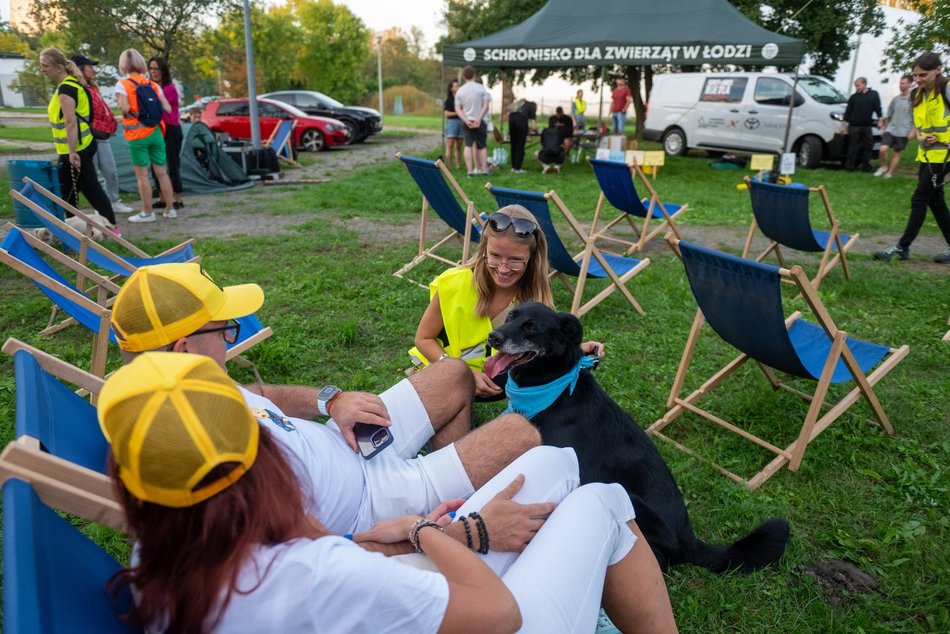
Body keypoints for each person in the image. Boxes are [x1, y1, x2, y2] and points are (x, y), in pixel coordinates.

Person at [98, 352, 677, 633]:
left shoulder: (163, 556)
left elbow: (322, 556)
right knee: (602, 502)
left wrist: (409, 537)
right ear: (264, 472)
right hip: (492, 621)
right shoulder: (315, 578)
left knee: (552, 461)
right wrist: (434, 532)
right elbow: (498, 615)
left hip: (385, 554)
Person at [109, 262, 543, 536]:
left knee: (450, 373)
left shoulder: (182, 388)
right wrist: (434, 536)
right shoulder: (195, 448)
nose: (228, 338)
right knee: (520, 434)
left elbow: (257, 393)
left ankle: (458, 486)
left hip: (344, 440)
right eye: (224, 329)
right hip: (368, 501)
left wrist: (329, 401)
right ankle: (458, 514)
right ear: (185, 348)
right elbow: (301, 546)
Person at [409, 205, 602, 400]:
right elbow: (423, 339)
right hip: (440, 371)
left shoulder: (534, 298)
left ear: (532, 257)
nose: (503, 268)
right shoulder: (453, 283)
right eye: (495, 256)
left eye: (515, 259)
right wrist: (460, 373)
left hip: (490, 379)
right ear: (484, 249)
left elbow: (542, 346)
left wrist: (577, 351)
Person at [875, 52, 950, 264]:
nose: (917, 79)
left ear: (938, 70)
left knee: (919, 198)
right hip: (927, 153)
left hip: (945, 154)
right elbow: (917, 125)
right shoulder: (917, 94)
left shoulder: (946, 88)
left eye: (923, 75)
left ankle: (902, 246)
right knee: (936, 201)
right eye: (915, 75)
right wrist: (921, 136)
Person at [38, 48, 117, 231]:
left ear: (59, 67)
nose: (42, 69)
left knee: (90, 188)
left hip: (77, 147)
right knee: (66, 189)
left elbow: (70, 122)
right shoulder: (71, 84)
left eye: (45, 65)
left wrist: (72, 151)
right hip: (72, 148)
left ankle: (111, 227)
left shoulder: (67, 88)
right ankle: (71, 227)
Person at [115, 48, 177, 224]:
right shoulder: (153, 85)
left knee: (142, 175)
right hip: (156, 132)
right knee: (162, 172)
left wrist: (131, 113)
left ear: (123, 65)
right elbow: (168, 108)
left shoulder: (123, 85)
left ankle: (147, 212)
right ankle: (170, 209)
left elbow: (125, 108)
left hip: (137, 135)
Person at [70, 54, 134, 215]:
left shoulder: (94, 88)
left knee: (110, 171)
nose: (93, 69)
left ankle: (113, 201)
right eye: (89, 66)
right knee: (96, 174)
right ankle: (102, 205)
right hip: (88, 136)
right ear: (79, 68)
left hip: (102, 135)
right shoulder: (77, 88)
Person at [148, 56, 185, 212]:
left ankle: (178, 198)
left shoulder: (169, 89)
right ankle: (162, 198)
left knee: (172, 164)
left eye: (156, 68)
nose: (153, 72)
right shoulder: (153, 87)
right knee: (156, 164)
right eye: (151, 68)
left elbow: (157, 106)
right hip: (158, 130)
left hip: (171, 129)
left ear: (163, 70)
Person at [875, 74, 915, 179]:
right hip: (891, 129)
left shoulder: (913, 100)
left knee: (896, 153)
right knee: (882, 149)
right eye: (900, 83)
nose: (900, 85)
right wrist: (883, 127)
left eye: (903, 83)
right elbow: (889, 114)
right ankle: (883, 167)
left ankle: (890, 173)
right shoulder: (896, 99)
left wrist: (913, 131)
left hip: (904, 131)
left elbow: (917, 118)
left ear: (910, 84)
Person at [840, 77, 882, 172]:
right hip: (854, 126)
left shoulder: (874, 95)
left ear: (864, 84)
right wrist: (842, 126)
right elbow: (847, 112)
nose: (857, 88)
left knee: (868, 146)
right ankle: (850, 166)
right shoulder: (853, 97)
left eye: (858, 86)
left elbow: (878, 108)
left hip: (867, 126)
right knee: (853, 146)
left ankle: (866, 166)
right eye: (856, 86)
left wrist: (880, 120)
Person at [455, 65, 489, 176]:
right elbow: (486, 106)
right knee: (482, 146)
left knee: (468, 145)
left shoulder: (460, 90)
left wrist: (466, 120)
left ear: (464, 76)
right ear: (474, 75)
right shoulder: (481, 88)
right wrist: (478, 119)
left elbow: (458, 109)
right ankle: (484, 170)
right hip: (480, 121)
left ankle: (470, 171)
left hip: (467, 122)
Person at [507, 97, 535, 174]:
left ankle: (513, 167)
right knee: (520, 145)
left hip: (511, 120)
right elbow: (533, 125)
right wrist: (533, 130)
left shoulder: (519, 104)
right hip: (521, 122)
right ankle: (518, 168)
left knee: (514, 144)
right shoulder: (532, 106)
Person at [443, 80, 463, 170]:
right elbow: (447, 114)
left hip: (462, 123)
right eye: (456, 86)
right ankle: (449, 167)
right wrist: (458, 113)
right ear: (451, 88)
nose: (458, 87)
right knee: (450, 146)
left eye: (458, 86)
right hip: (452, 123)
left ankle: (458, 166)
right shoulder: (448, 100)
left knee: (459, 146)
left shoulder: (462, 99)